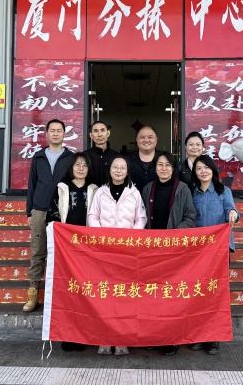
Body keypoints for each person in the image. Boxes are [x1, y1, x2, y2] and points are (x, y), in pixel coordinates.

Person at [87, 156, 146, 356]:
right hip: (104, 251)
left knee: (124, 296)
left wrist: (130, 239)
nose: (119, 170)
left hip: (127, 252)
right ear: (110, 170)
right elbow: (92, 216)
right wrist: (102, 238)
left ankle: (122, 340)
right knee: (104, 295)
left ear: (127, 171)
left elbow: (141, 219)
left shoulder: (134, 193)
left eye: (122, 168)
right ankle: (104, 339)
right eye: (115, 167)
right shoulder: (100, 192)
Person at [141, 151, 196, 356]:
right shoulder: (148, 188)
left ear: (173, 169)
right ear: (155, 168)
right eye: (160, 165)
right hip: (151, 251)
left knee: (170, 295)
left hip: (173, 251)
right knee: (152, 295)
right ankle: (153, 336)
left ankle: (170, 339)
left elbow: (191, 217)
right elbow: (142, 217)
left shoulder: (182, 189)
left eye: (167, 165)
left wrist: (173, 235)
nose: (163, 168)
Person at [189, 154, 239, 355]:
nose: (203, 171)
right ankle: (198, 336)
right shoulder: (191, 192)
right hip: (197, 252)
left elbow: (231, 210)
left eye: (206, 167)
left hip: (219, 251)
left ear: (213, 170)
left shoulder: (223, 191)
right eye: (199, 168)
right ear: (195, 172)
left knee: (215, 294)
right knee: (197, 294)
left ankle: (213, 337)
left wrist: (233, 214)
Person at [23, 119, 74, 313]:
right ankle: (33, 294)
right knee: (38, 252)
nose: (55, 133)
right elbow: (32, 185)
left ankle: (60, 296)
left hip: (61, 211)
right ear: (46, 133)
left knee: (62, 254)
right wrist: (29, 211)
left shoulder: (70, 157)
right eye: (52, 130)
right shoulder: (39, 157)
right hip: (39, 209)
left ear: (64, 133)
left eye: (59, 130)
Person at [50, 152, 98, 352]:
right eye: (77, 165)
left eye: (84, 165)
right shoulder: (61, 188)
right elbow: (52, 215)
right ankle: (68, 335)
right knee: (68, 292)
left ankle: (85, 335)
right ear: (71, 168)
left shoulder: (95, 189)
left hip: (88, 250)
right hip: (67, 249)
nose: (80, 168)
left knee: (86, 291)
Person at [85, 121, 118, 186]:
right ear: (91, 135)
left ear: (108, 133)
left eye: (102, 130)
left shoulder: (117, 156)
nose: (99, 134)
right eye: (96, 131)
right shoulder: (85, 156)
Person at [128, 125, 160, 193]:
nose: (146, 140)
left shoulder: (165, 160)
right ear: (136, 139)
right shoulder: (127, 161)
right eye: (142, 137)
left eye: (150, 137)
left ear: (157, 139)